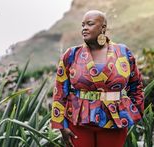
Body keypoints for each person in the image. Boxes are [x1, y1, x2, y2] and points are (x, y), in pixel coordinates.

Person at [51, 10, 144, 147]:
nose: (84, 28)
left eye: (90, 24)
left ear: (103, 28)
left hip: (114, 122)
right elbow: (60, 91)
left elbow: (136, 85)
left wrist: (134, 113)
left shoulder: (123, 53)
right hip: (78, 122)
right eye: (82, 25)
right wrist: (61, 125)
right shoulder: (71, 55)